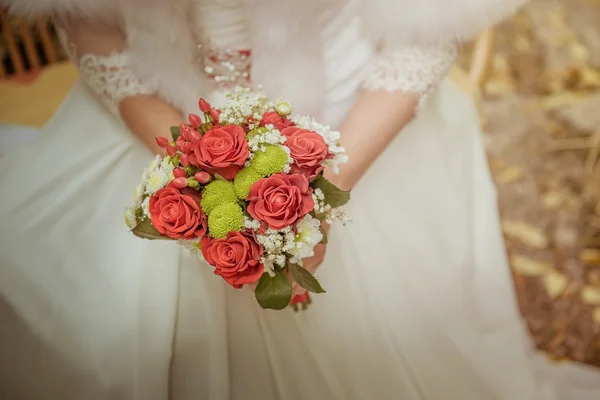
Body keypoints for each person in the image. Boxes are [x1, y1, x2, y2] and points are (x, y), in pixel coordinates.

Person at [0, 0, 585, 398]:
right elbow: (91, 24)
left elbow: (421, 39)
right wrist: (199, 170)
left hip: (356, 130)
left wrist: (315, 198)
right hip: (155, 122)